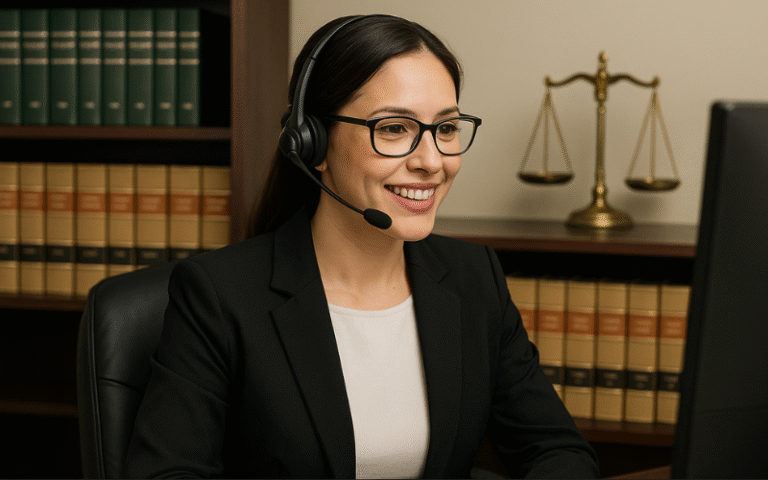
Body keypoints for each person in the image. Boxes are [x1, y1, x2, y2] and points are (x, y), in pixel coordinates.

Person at [124, 14, 600, 479]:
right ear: (313, 145)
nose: (432, 162)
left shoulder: (473, 277)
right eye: (394, 128)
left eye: (447, 128)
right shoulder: (220, 294)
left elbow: (555, 448)